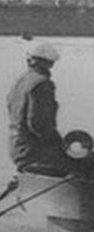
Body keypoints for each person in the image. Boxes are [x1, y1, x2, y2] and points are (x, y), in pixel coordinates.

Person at [6, 42, 69, 176]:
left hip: (17, 148)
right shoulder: (42, 84)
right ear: (50, 63)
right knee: (82, 167)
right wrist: (61, 146)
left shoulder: (20, 81)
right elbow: (38, 124)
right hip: (34, 152)